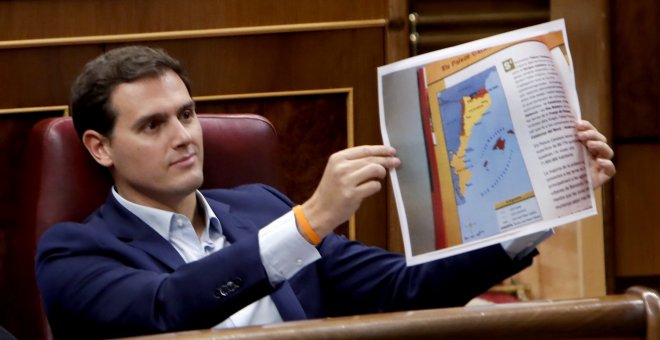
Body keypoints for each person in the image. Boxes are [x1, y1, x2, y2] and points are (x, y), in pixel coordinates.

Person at [35, 46, 616, 339]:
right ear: (99, 147)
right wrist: (310, 222)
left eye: (186, 114)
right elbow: (167, 309)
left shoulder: (261, 208)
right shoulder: (71, 252)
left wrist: (545, 204)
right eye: (152, 125)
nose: (184, 137)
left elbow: (406, 288)